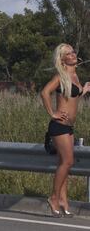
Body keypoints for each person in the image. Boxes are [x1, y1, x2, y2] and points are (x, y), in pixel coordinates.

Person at [41, 43, 90, 217]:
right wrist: (52, 113)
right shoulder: (60, 76)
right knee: (68, 162)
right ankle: (54, 198)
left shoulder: (75, 75)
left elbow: (71, 99)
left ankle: (63, 200)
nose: (73, 54)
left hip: (69, 126)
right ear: (62, 59)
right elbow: (45, 92)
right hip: (59, 126)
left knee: (64, 164)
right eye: (68, 53)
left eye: (73, 52)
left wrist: (83, 91)